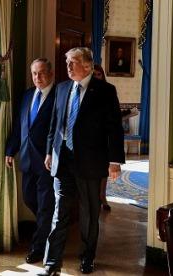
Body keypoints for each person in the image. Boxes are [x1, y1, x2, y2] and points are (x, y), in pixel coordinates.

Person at [39, 48, 125, 275]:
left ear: (88, 66)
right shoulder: (62, 88)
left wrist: (114, 161)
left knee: (88, 214)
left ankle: (87, 258)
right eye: (67, 62)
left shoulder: (105, 91)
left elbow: (114, 129)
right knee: (60, 213)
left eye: (73, 62)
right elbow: (54, 125)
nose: (67, 66)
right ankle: (52, 263)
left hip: (90, 162)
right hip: (63, 160)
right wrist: (50, 151)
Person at [5, 58, 56, 264]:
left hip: (47, 161)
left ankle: (38, 248)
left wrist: (53, 153)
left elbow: (61, 131)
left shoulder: (59, 96)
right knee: (29, 199)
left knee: (44, 206)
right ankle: (51, 225)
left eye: (42, 73)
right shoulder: (27, 95)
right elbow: (19, 127)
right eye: (34, 73)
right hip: (27, 159)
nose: (38, 77)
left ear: (50, 74)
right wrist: (10, 150)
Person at [93, 64, 113, 211]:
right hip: (89, 141)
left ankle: (102, 196)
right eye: (93, 75)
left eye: (98, 74)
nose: (96, 77)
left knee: (103, 171)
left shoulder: (108, 91)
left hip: (104, 139)